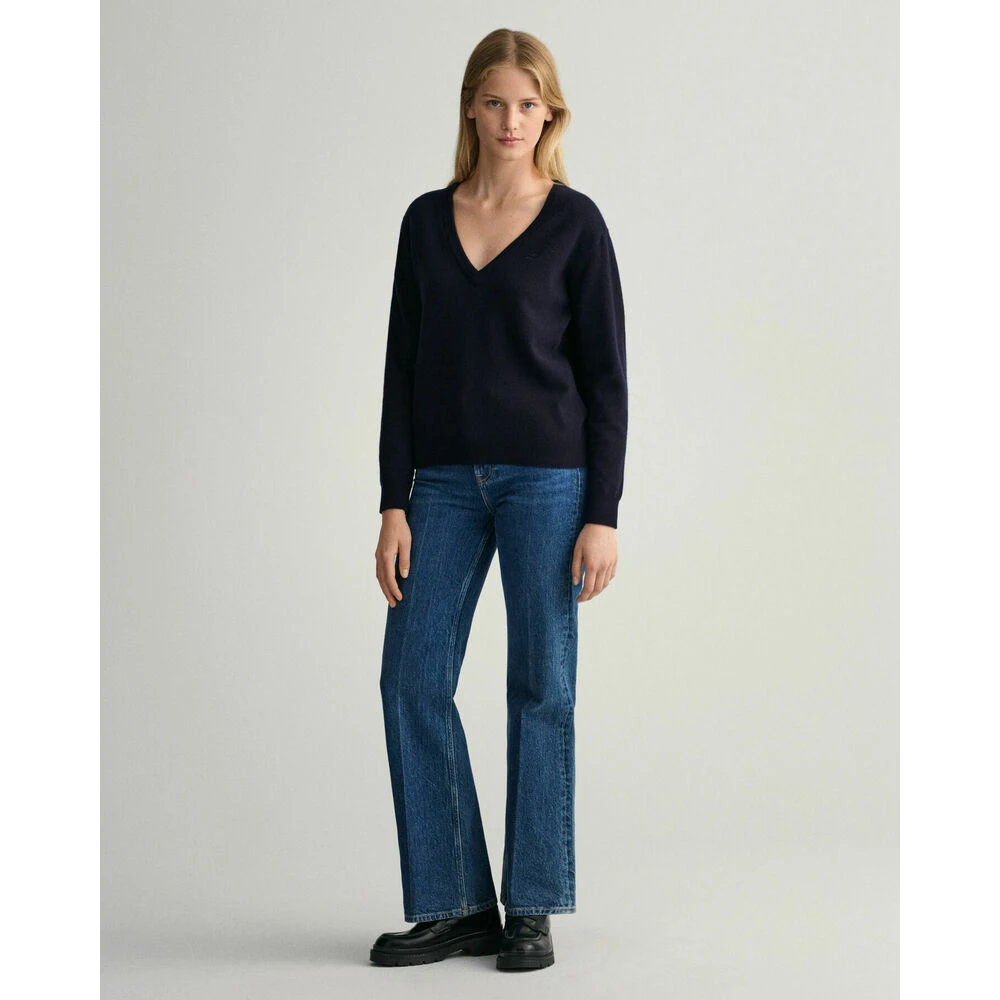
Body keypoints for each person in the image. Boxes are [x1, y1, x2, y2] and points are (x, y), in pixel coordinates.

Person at [369, 28, 627, 973]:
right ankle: (456, 904)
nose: (512, 120)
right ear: (471, 109)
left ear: (549, 115)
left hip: (548, 483)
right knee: (411, 679)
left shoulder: (575, 224)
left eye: (529, 105)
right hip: (439, 485)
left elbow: (607, 378)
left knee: (541, 685)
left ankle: (533, 907)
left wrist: (603, 513)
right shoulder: (424, 222)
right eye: (495, 102)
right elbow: (400, 370)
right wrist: (392, 501)